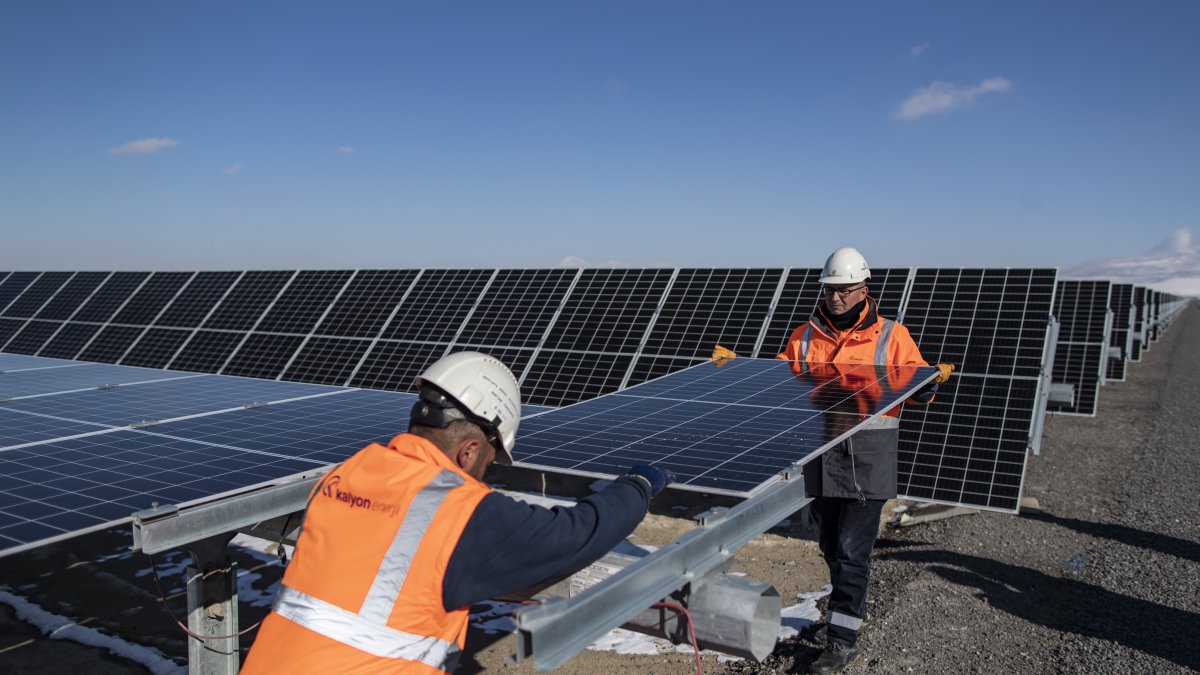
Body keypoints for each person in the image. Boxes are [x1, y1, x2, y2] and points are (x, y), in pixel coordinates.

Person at [241, 351, 674, 674]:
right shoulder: (456, 510)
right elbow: (577, 532)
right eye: (489, 460)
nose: (486, 475)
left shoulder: (349, 472)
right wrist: (636, 487)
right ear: (468, 451)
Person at [777, 247, 951, 674]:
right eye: (830, 289)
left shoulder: (892, 335)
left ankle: (841, 641)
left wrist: (928, 383)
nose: (836, 297)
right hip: (820, 455)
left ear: (863, 289)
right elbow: (777, 383)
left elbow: (916, 380)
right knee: (830, 546)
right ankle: (842, 616)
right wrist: (730, 374)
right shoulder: (803, 335)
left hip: (868, 459)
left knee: (853, 550)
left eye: (845, 289)